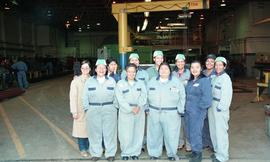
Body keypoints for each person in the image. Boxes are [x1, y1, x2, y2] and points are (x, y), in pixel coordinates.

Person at [147, 62, 186, 161]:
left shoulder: (176, 82)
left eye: (166, 69)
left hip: (171, 114)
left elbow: (182, 96)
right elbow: (145, 96)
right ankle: (154, 153)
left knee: (171, 135)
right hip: (154, 112)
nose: (163, 71)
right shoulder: (152, 81)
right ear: (158, 71)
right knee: (154, 134)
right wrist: (147, 108)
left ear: (170, 71)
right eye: (161, 69)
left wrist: (180, 110)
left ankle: (172, 154)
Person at [83, 59, 117, 162]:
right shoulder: (89, 81)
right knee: (94, 133)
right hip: (93, 109)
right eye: (99, 67)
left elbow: (116, 96)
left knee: (110, 132)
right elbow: (84, 96)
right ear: (96, 69)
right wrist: (87, 109)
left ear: (106, 69)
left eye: (103, 68)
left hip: (109, 109)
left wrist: (115, 107)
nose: (101, 69)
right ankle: (96, 153)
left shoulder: (111, 81)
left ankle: (110, 153)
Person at [115, 63, 147, 160]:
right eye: (129, 71)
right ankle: (125, 152)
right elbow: (120, 99)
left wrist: (138, 106)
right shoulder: (120, 83)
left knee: (138, 132)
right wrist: (130, 108)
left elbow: (144, 96)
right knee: (125, 134)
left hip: (139, 111)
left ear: (136, 73)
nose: (131, 74)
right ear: (126, 72)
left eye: (133, 72)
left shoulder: (140, 84)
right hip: (125, 112)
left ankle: (135, 152)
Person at [185, 61, 212, 162]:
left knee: (196, 133)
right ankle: (194, 152)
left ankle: (198, 154)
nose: (194, 69)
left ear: (201, 69)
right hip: (188, 111)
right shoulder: (191, 81)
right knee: (189, 132)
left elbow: (207, 99)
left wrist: (199, 109)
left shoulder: (204, 80)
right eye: (192, 67)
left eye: (197, 67)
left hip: (197, 112)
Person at [208, 57, 233, 162]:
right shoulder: (214, 77)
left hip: (220, 108)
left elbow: (227, 96)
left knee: (221, 132)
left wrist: (221, 108)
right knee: (213, 131)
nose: (218, 67)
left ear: (224, 66)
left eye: (220, 65)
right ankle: (217, 152)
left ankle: (223, 156)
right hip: (212, 106)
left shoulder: (226, 78)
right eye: (216, 65)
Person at [69, 60, 91, 157]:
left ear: (90, 69)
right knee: (81, 129)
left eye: (87, 68)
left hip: (91, 109)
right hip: (80, 109)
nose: (85, 70)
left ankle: (90, 147)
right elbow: (72, 97)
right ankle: (83, 149)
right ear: (80, 69)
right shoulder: (76, 81)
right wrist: (74, 111)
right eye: (83, 68)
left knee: (90, 129)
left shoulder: (93, 80)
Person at [172, 54, 191, 151]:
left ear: (184, 62)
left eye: (182, 61)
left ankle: (188, 144)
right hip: (176, 102)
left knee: (187, 124)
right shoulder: (172, 73)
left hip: (188, 101)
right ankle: (180, 142)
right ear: (175, 63)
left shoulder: (189, 72)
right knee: (178, 123)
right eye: (178, 61)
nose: (180, 63)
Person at [202, 54, 216, 150]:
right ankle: (205, 142)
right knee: (203, 122)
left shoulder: (217, 73)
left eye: (212, 61)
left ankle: (213, 144)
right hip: (203, 101)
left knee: (213, 123)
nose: (209, 63)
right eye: (208, 61)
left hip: (213, 102)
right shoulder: (202, 73)